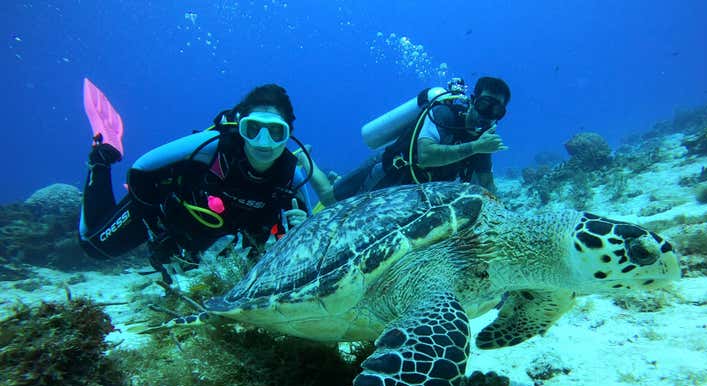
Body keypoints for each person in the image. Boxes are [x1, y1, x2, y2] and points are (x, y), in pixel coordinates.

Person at [79, 84, 322, 282]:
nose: (263, 142)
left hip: (209, 235)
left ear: (288, 134)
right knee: (94, 247)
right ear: (240, 127)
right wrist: (156, 228)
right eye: (253, 129)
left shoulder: (292, 178)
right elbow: (141, 169)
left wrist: (299, 229)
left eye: (276, 132)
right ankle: (103, 153)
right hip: (164, 211)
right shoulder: (213, 147)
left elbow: (311, 238)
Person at [331, 76, 511, 201]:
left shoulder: (482, 142)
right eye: (484, 104)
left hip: (418, 194)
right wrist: (475, 147)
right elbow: (426, 155)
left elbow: (486, 184)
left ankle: (337, 177)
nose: (487, 114)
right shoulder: (444, 114)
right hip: (390, 172)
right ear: (473, 100)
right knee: (331, 201)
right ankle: (305, 160)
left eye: (497, 111)